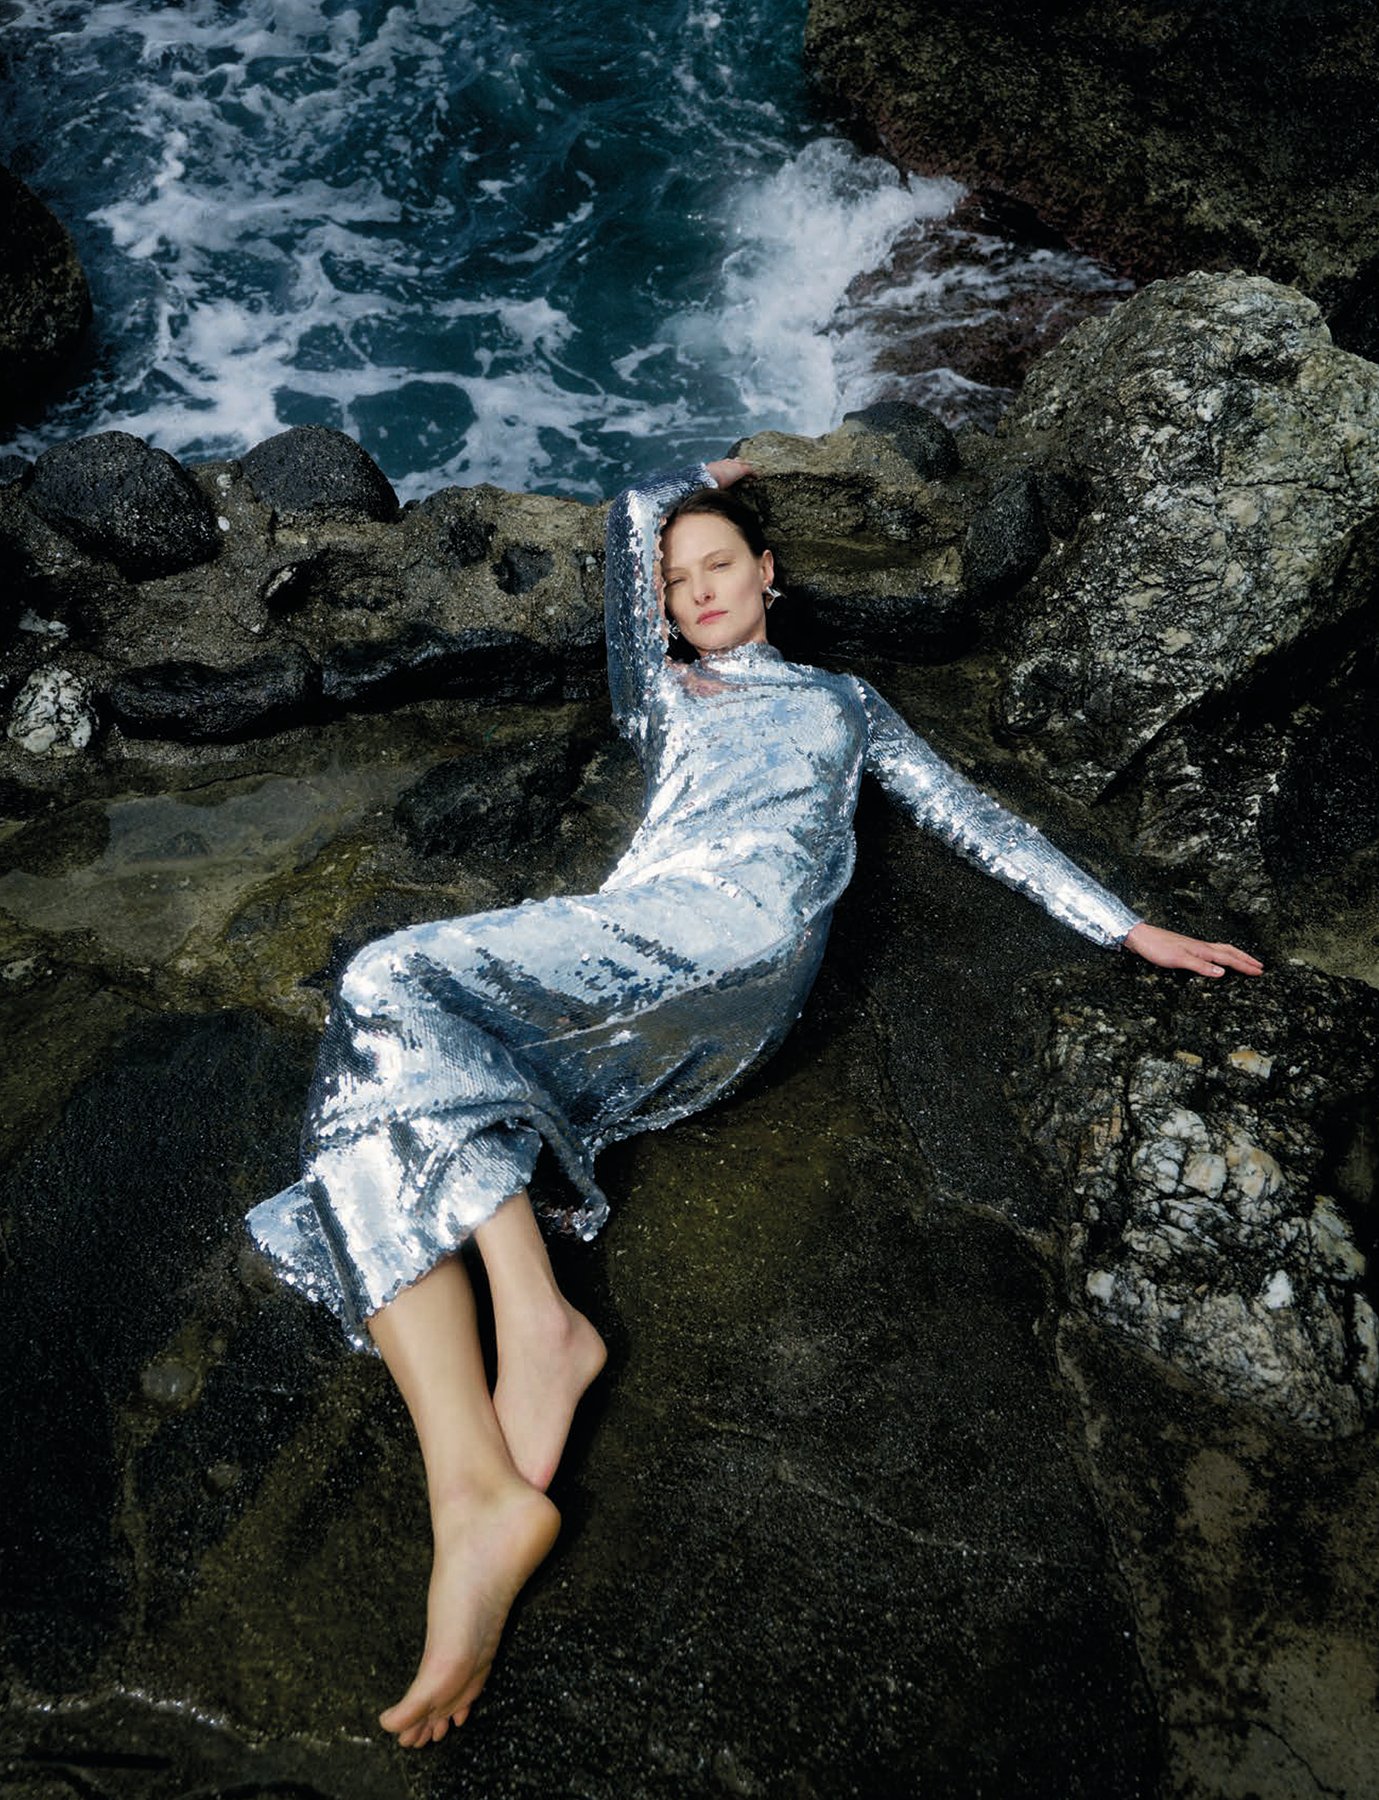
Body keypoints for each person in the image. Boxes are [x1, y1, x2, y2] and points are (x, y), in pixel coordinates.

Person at [246, 457, 1263, 1747]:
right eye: (677, 583)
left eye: (720, 563)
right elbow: (627, 525)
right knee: (395, 1090)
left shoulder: (844, 702)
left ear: (770, 573)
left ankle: (534, 1334)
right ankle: (475, 1486)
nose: (697, 590)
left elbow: (977, 820)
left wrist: (1126, 926)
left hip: (741, 934)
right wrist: (682, 487)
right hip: (637, 949)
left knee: (390, 983)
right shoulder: (664, 694)